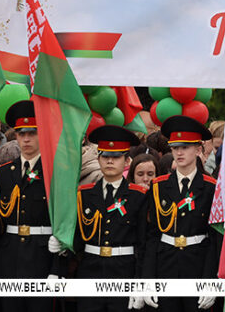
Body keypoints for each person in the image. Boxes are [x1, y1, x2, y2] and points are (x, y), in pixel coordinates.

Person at [0, 100, 62, 312]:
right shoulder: (3, 173)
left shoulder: (55, 172)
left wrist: (57, 267)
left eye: (32, 133)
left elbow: (64, 220)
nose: (26, 139)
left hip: (42, 255)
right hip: (10, 256)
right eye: (21, 134)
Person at [144, 115, 217, 311]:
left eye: (185, 147)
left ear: (198, 149)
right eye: (175, 147)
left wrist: (210, 280)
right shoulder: (158, 186)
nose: (179, 152)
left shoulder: (211, 187)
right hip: (165, 264)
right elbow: (152, 235)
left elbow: (214, 238)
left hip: (197, 263)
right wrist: (148, 278)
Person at [76, 125, 148, 312]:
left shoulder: (138, 196)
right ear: (98, 159)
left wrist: (140, 283)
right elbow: (77, 239)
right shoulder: (84, 194)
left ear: (127, 161)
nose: (109, 161)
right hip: (90, 270)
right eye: (105, 156)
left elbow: (143, 244)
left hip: (124, 271)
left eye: (116, 157)